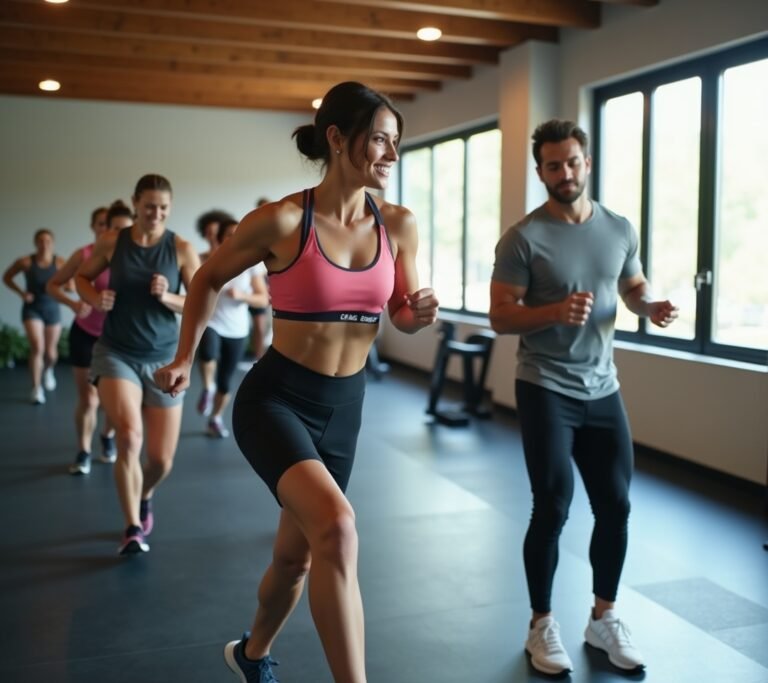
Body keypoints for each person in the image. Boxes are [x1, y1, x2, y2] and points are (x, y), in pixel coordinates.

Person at [155, 81, 439, 683]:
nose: (391, 153)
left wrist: (421, 311)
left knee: (295, 560)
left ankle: (250, 655)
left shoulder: (399, 225)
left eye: (396, 142)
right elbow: (205, 279)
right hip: (276, 401)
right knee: (338, 527)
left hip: (346, 408)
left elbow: (403, 316)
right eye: (380, 140)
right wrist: (186, 357)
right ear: (337, 139)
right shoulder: (283, 219)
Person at [490, 119, 678, 675]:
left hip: (603, 386)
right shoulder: (523, 238)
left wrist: (649, 306)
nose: (564, 173)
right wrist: (552, 310)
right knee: (552, 504)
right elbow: (500, 316)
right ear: (540, 170)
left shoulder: (618, 227)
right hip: (545, 384)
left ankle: (603, 618)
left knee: (616, 505)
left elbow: (631, 284)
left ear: (587, 162)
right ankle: (540, 625)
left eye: (572, 162)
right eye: (553, 165)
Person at [75, 174, 200, 555]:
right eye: (149, 206)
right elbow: (81, 277)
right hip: (116, 352)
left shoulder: (181, 248)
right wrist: (95, 298)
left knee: (161, 461)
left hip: (163, 357)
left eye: (163, 207)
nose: (156, 213)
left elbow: (199, 302)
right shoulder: (114, 241)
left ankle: (144, 494)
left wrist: (170, 298)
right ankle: (132, 527)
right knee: (129, 436)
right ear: (135, 204)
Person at [47, 201, 134, 475]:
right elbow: (52, 284)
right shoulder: (84, 254)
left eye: (125, 228)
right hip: (86, 335)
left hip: (118, 340)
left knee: (111, 403)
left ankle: (106, 436)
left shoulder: (135, 257)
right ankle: (83, 450)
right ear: (102, 229)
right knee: (89, 400)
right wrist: (74, 304)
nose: (119, 233)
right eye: (110, 227)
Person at [196, 217, 270, 438]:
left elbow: (263, 299)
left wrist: (242, 295)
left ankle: (215, 418)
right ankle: (207, 387)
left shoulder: (252, 264)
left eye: (237, 233)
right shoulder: (209, 259)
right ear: (220, 238)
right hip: (212, 322)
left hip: (237, 329)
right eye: (229, 234)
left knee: (226, 381)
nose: (234, 238)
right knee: (208, 351)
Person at [3, 228, 67, 404]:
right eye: (41, 241)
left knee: (51, 354)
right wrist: (21, 293)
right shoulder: (25, 262)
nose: (44, 244)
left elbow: (71, 281)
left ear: (52, 243)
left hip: (52, 308)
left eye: (47, 241)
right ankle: (36, 388)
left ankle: (48, 371)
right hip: (32, 309)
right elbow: (7, 277)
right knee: (37, 347)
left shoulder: (60, 262)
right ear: (36, 243)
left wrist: (68, 288)